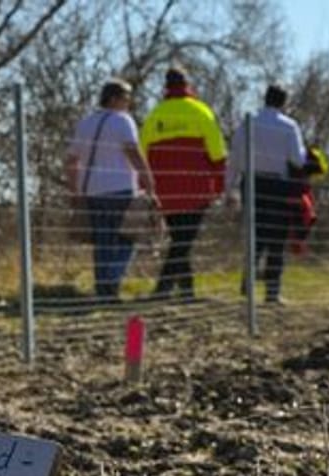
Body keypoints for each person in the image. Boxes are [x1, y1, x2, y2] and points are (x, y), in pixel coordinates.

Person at [139, 66, 227, 302]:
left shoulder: (154, 115)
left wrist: (145, 187)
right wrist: (220, 184)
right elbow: (218, 154)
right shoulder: (200, 111)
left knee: (180, 238)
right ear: (188, 85)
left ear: (166, 88)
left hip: (165, 191)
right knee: (183, 240)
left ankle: (187, 291)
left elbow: (143, 154)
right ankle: (163, 289)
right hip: (196, 189)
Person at [66, 78, 158, 302]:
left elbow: (71, 159)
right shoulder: (122, 121)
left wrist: (75, 190)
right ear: (114, 98)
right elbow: (133, 154)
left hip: (92, 190)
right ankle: (112, 281)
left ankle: (103, 290)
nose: (129, 103)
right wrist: (149, 183)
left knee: (103, 241)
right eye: (126, 98)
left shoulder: (85, 123)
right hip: (120, 188)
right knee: (128, 238)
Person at [227, 83, 308, 304]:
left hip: (251, 183)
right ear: (284, 102)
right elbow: (297, 160)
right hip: (278, 186)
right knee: (277, 239)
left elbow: (234, 155)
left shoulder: (248, 121)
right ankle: (272, 292)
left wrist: (230, 186)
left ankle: (248, 281)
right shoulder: (289, 126)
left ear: (265, 98)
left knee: (255, 234)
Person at [288, 145, 329, 258]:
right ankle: (298, 242)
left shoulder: (304, 185)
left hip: (300, 210)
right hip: (297, 207)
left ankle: (299, 242)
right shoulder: (297, 174)